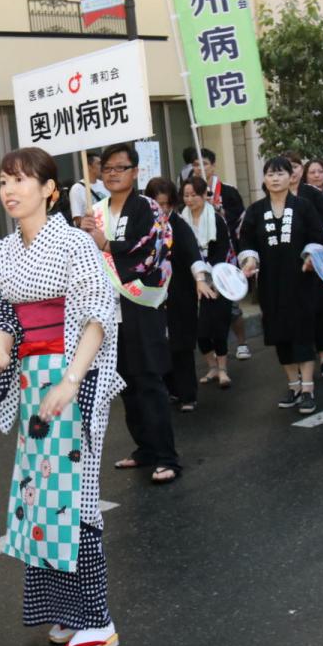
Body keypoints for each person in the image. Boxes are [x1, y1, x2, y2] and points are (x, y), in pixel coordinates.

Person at [0, 146, 123, 646]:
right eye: (4, 178)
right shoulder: (1, 252)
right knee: (39, 495)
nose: (10, 189)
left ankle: (98, 621)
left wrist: (72, 378)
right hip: (33, 378)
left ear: (50, 190)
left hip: (73, 375)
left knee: (76, 495)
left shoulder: (74, 244)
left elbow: (97, 312)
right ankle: (67, 609)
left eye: (21, 179)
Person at [81, 143, 181, 483]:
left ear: (135, 171)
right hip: (109, 309)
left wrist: (105, 244)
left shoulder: (148, 208)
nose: (112, 174)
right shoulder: (94, 211)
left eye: (120, 168)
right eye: (107, 168)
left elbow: (152, 249)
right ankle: (144, 449)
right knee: (125, 381)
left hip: (141, 303)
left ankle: (167, 455)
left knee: (149, 379)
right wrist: (82, 237)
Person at [238, 157, 323, 414]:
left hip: (301, 281)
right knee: (279, 334)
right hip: (270, 284)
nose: (275, 178)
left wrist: (312, 257)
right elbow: (246, 242)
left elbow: (318, 238)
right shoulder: (255, 211)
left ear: (292, 177)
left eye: (280, 173)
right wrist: (250, 259)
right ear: (264, 179)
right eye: (270, 174)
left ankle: (308, 388)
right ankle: (294, 385)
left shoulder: (304, 207)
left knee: (302, 332)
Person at [189, 148, 251, 361]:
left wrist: (220, 211)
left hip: (224, 258)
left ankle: (242, 343)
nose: (200, 168)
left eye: (204, 164)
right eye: (196, 164)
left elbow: (239, 219)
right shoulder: (189, 192)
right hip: (198, 261)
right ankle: (215, 358)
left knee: (231, 307)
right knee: (205, 311)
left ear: (213, 166)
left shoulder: (228, 191)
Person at [144, 177, 200, 411]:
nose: (164, 209)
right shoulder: (145, 225)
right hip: (152, 295)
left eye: (168, 204)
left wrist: (200, 278)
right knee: (160, 345)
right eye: (159, 204)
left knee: (181, 346)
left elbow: (193, 255)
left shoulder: (179, 225)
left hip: (180, 292)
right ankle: (172, 390)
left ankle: (188, 394)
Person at [287, 153, 323, 377]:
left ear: (301, 169)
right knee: (295, 314)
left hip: (315, 261)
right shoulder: (273, 199)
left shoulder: (313, 194)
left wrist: (314, 251)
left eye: (294, 166)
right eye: (284, 169)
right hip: (289, 265)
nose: (291, 172)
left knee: (320, 310)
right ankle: (301, 361)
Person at [181, 176, 235, 392]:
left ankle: (223, 369)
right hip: (190, 280)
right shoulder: (180, 220)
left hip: (216, 278)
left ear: (204, 195)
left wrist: (208, 273)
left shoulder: (216, 219)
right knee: (199, 330)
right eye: (186, 195)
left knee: (217, 326)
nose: (190, 199)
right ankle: (211, 366)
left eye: (194, 195)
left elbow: (222, 250)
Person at [69, 152, 107, 219]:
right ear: (89, 167)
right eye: (99, 163)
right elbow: (77, 219)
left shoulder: (105, 185)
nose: (102, 166)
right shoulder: (77, 189)